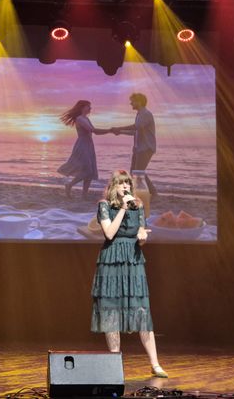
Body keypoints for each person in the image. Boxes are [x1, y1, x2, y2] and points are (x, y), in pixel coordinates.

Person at [91, 169, 167, 378]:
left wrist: (142, 237)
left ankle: (155, 364)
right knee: (111, 311)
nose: (126, 186)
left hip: (133, 260)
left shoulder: (139, 206)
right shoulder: (104, 205)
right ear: (113, 186)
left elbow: (141, 234)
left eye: (128, 183)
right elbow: (109, 233)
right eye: (121, 183)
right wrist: (123, 209)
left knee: (141, 310)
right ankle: (115, 363)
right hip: (112, 260)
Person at [57, 100, 111, 200]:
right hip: (82, 145)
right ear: (82, 107)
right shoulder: (80, 119)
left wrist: (110, 131)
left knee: (90, 171)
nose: (90, 108)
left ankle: (84, 195)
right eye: (88, 106)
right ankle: (69, 185)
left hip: (89, 145)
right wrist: (110, 130)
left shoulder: (86, 118)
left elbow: (96, 132)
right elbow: (92, 130)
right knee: (88, 170)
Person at [111, 93, 157, 195]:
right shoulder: (139, 114)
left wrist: (119, 128)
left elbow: (136, 127)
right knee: (134, 172)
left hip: (146, 148)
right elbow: (135, 131)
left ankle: (152, 193)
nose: (131, 103)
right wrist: (120, 132)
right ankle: (144, 192)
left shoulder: (145, 114)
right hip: (138, 148)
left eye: (133, 101)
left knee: (138, 172)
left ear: (139, 102)